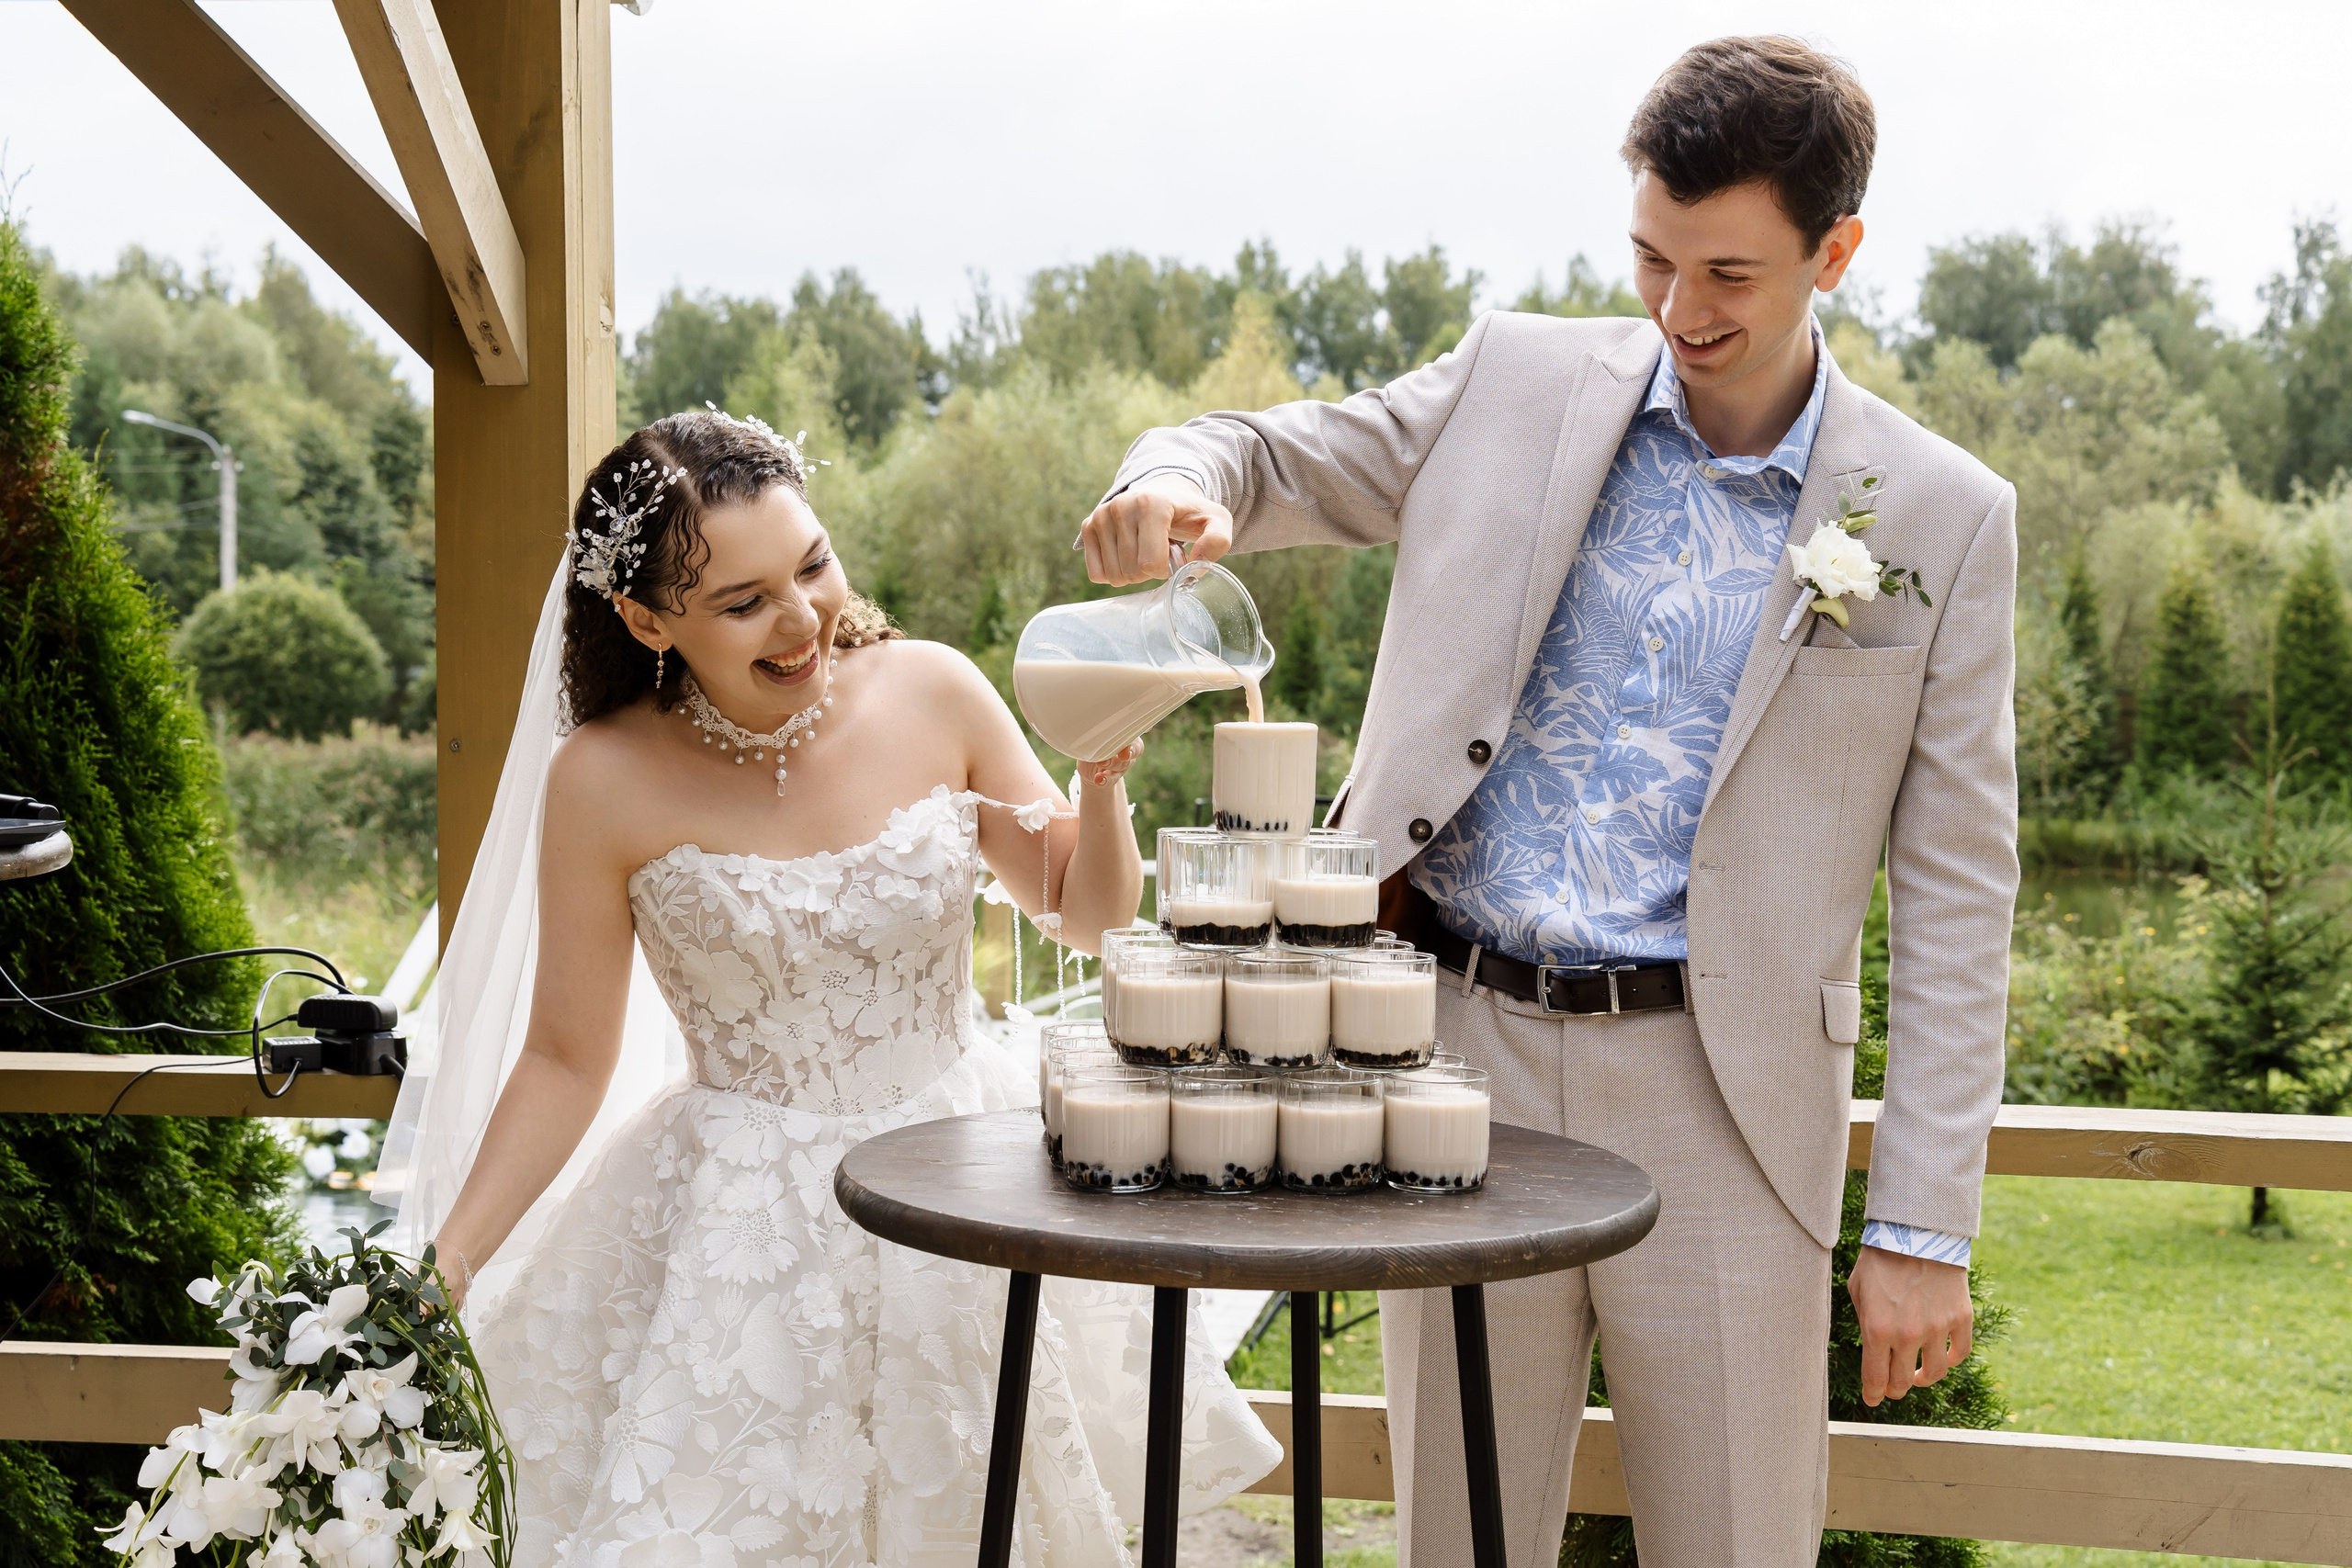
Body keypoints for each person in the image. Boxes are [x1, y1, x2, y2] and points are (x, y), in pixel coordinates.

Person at [1079, 36, 2017, 1566]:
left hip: (1732, 1106)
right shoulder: (1514, 377)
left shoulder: (1941, 517)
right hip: (1459, 1060)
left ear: (1835, 252)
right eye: (1652, 256)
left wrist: (1920, 1227)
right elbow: (1264, 453)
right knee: (1460, 1540)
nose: (1679, 310)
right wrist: (1172, 480)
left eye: (1730, 273)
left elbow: (1968, 897)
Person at [385, 408, 1278, 1566]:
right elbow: (564, 1056)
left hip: (965, 1183)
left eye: (811, 564)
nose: (803, 616)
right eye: (744, 600)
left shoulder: (933, 690)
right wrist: (445, 1266)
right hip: (734, 1231)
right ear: (649, 618)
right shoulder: (603, 779)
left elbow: (1090, 912)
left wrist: (1097, 776)